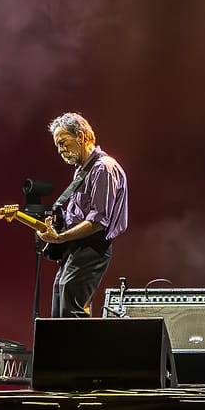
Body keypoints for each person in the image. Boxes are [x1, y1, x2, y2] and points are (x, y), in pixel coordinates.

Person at [38, 112, 128, 317]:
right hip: (77, 246)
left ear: (80, 136)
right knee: (61, 300)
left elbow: (98, 221)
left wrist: (60, 237)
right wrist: (57, 226)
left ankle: (77, 340)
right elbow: (80, 214)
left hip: (92, 246)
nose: (60, 150)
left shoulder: (104, 168)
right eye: (57, 146)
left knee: (72, 308)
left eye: (62, 143)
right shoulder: (82, 170)